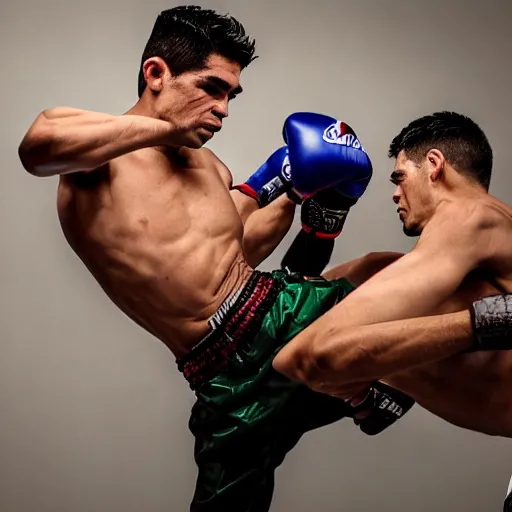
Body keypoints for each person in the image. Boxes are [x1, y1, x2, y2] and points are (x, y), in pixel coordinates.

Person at [17, 6, 413, 511]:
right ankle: (368, 395)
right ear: (156, 73)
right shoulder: (95, 159)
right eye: (212, 88)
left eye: (231, 95)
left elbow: (236, 251)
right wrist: (166, 130)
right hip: (218, 377)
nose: (223, 108)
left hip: (271, 313)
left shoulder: (209, 166)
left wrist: (299, 191)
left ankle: (378, 387)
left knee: (387, 273)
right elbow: (38, 147)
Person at [272, 110, 512, 441]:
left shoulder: (470, 215)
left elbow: (307, 355)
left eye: (399, 177)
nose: (396, 194)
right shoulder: (485, 256)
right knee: (372, 270)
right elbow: (304, 301)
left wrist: (484, 323)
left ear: (434, 164)